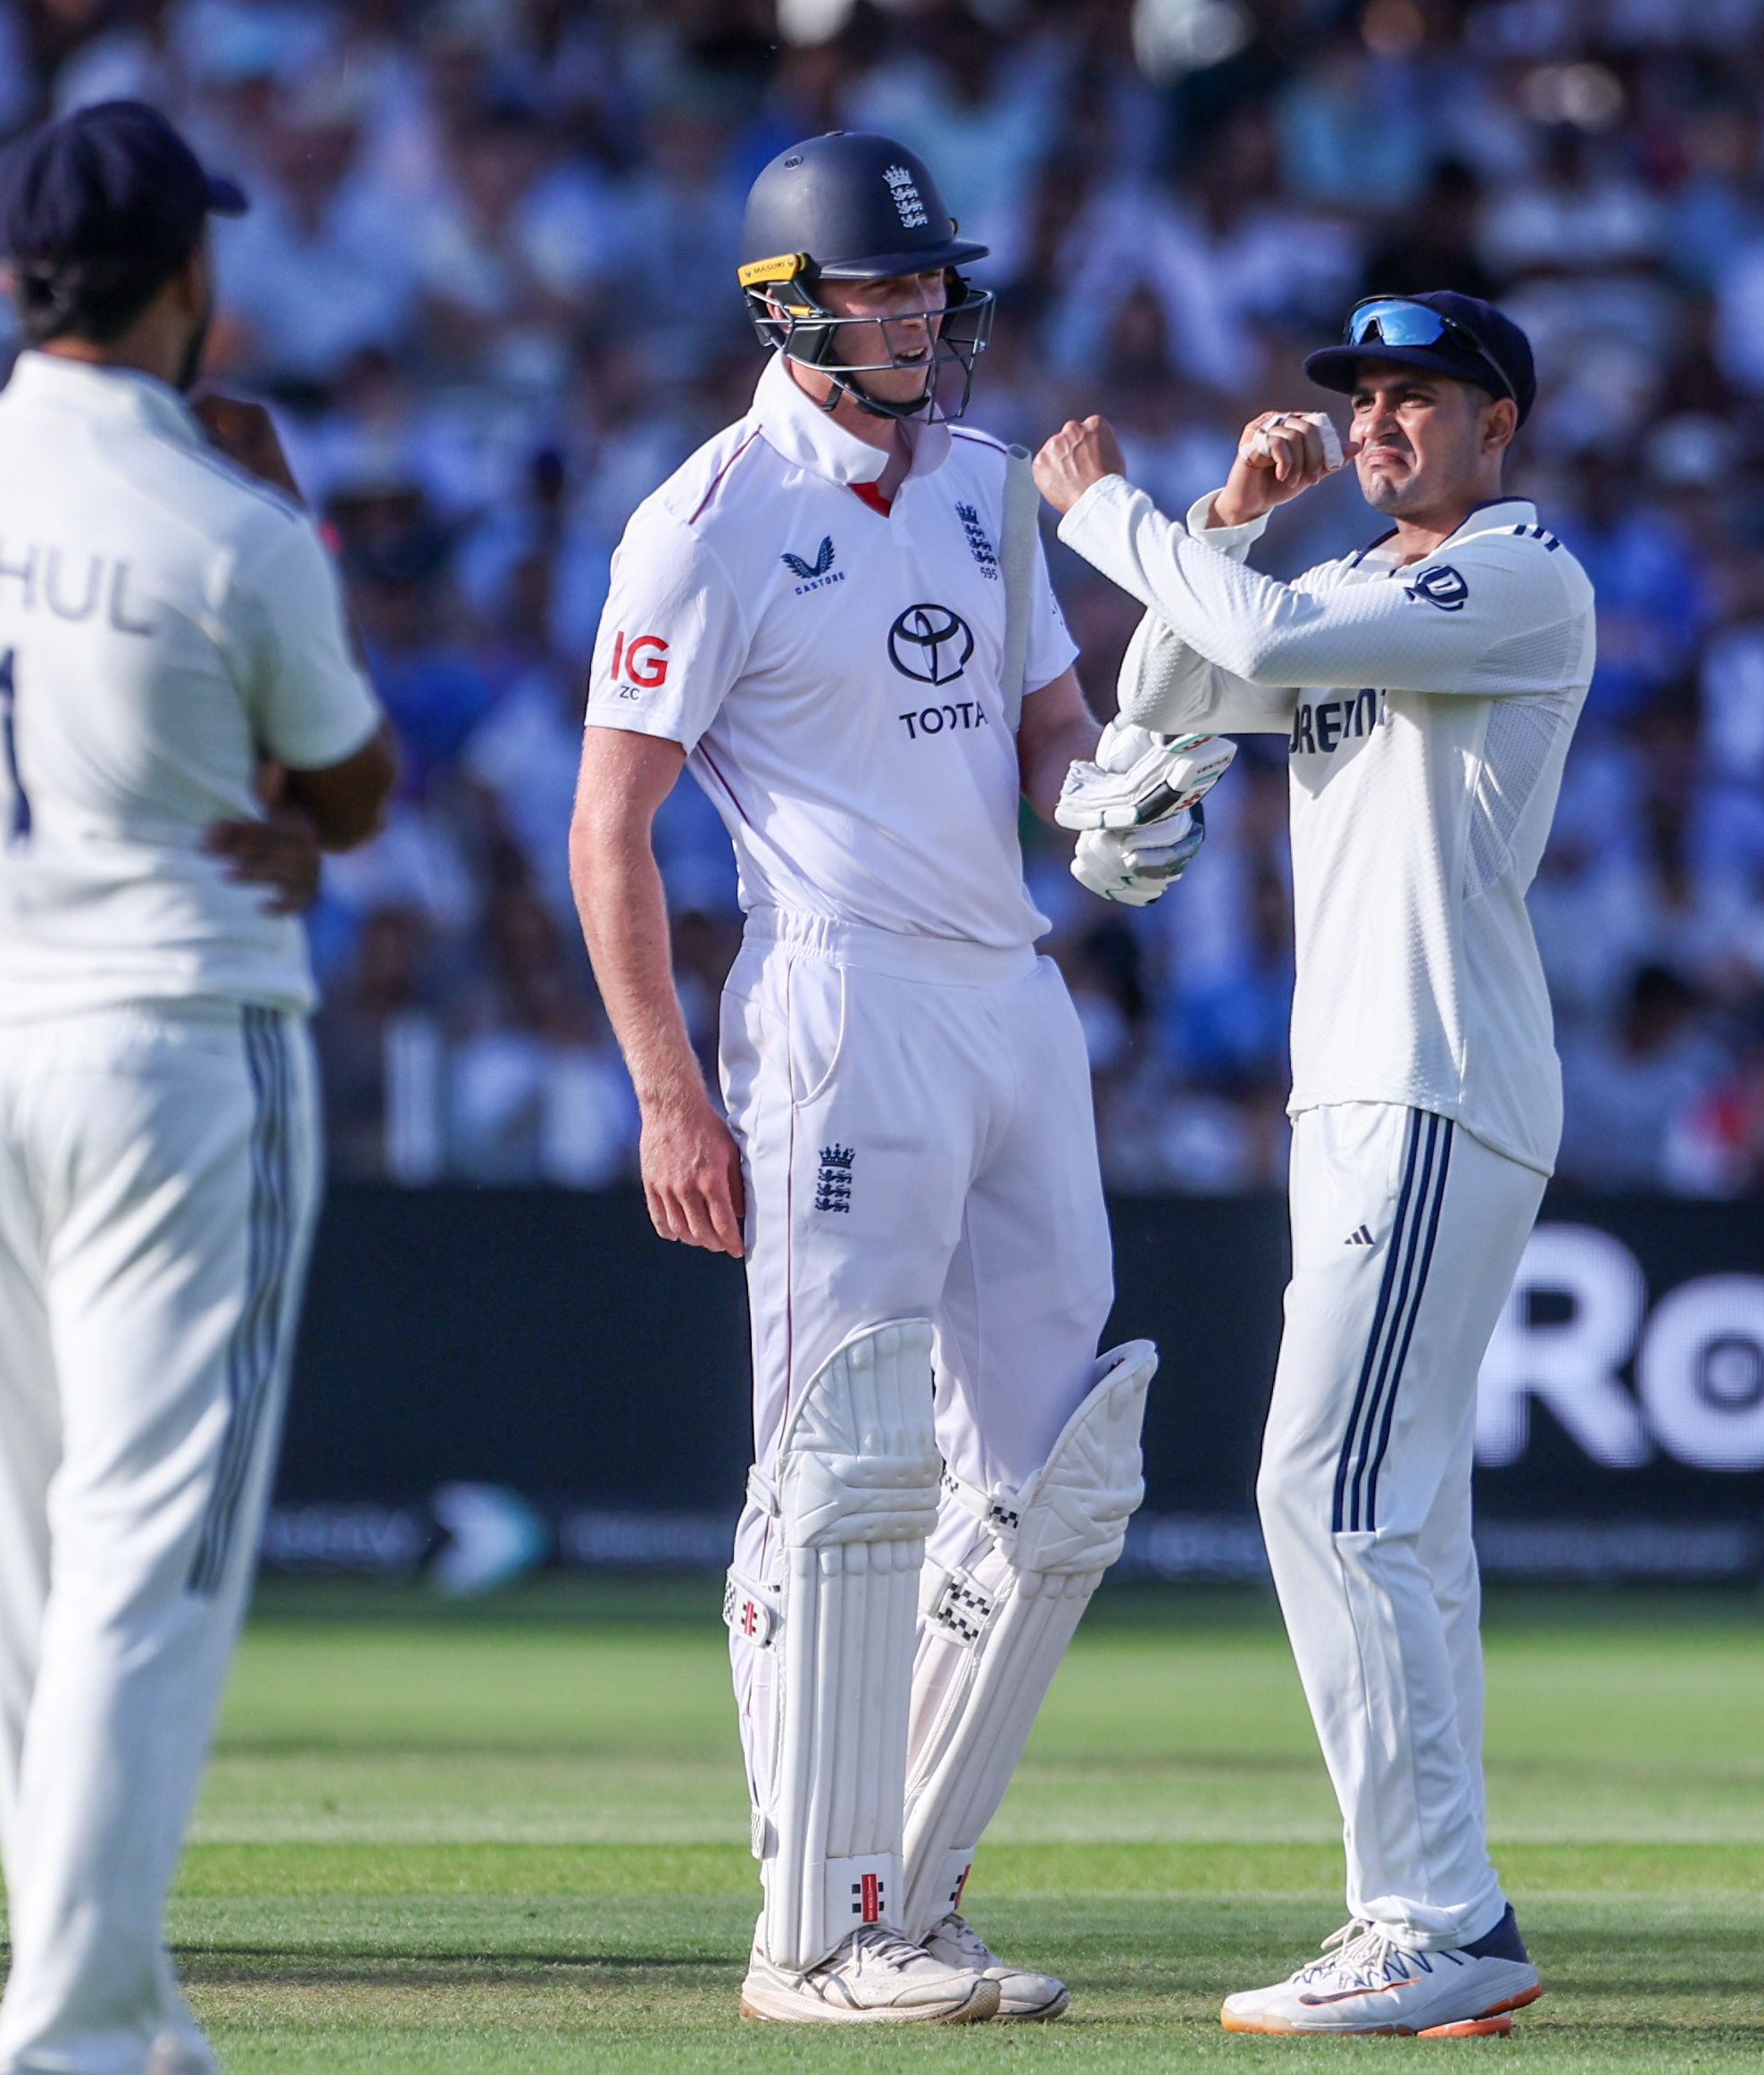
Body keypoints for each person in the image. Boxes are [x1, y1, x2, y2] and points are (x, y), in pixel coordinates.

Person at [568, 132, 1203, 2026]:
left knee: (1057, 1479)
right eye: (881, 289)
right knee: (841, 1466)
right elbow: (611, 827)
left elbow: (1049, 726)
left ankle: (907, 1904)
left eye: (933, 286)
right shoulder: (706, 516)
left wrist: (1108, 809)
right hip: (835, 1002)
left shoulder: (994, 490)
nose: (919, 313)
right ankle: (810, 1939)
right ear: (789, 306)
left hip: (1010, 993)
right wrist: (671, 1094)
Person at [0, 102, 398, 2075]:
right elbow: (350, 787)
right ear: (187, 282)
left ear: (13, 279)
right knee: (147, 1551)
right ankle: (75, 2027)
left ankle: (118, 1999)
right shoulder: (228, 522)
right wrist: (290, 524)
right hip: (178, 1038)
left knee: (25, 1554)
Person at [1034, 289, 1593, 2038]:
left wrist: (1105, 513)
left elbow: (1256, 655)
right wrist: (1221, 517)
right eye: (1361, 399)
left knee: (1328, 1489)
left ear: (1498, 425)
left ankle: (1427, 1912)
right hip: (1362, 1090)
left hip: (1429, 1080)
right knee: (1402, 1512)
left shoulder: (1514, 572)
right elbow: (1174, 688)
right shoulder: (1359, 587)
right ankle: (1446, 1911)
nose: (1377, 424)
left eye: (1417, 398)